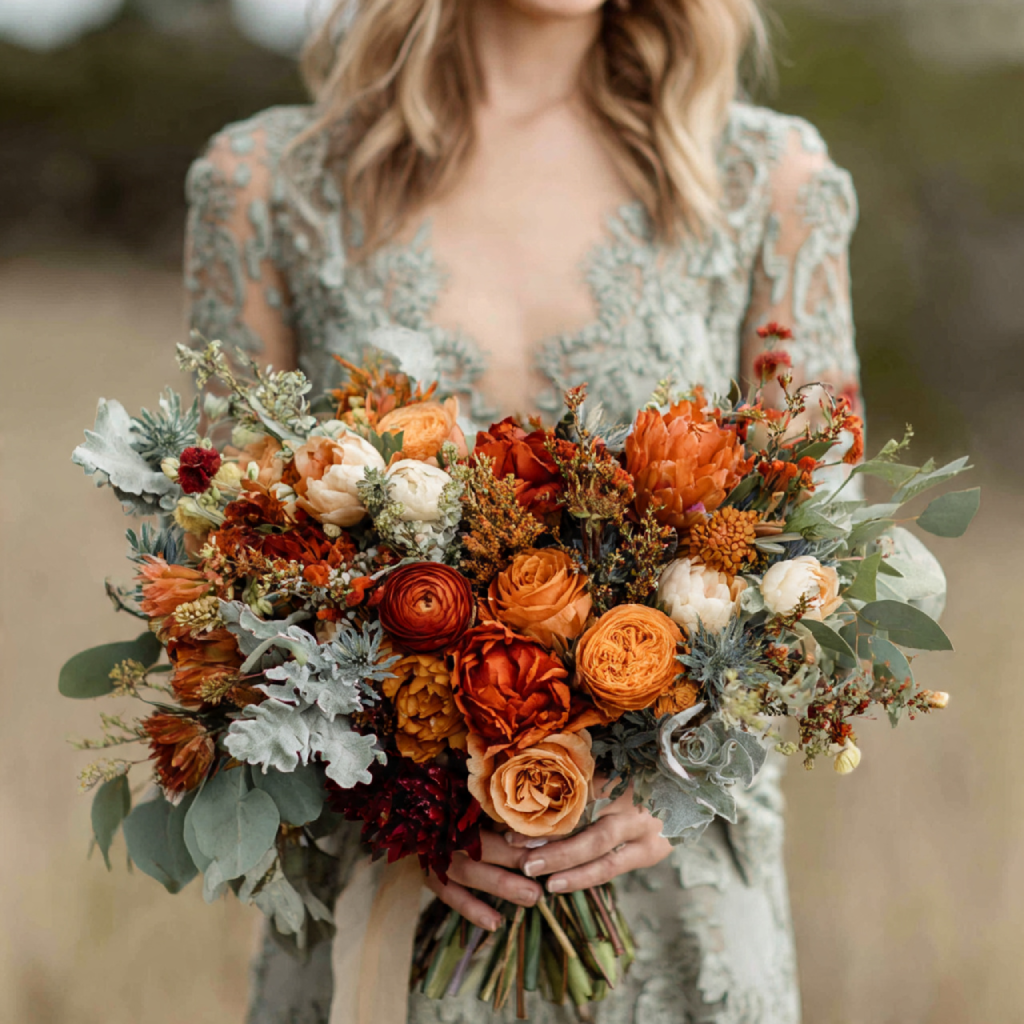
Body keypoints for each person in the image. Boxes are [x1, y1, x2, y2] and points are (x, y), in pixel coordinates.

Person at [184, 0, 860, 1021]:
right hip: (387, 897)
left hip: (666, 904)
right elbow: (212, 549)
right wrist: (400, 798)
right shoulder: (267, 184)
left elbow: (827, 556)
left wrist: (678, 781)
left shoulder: (768, 181)